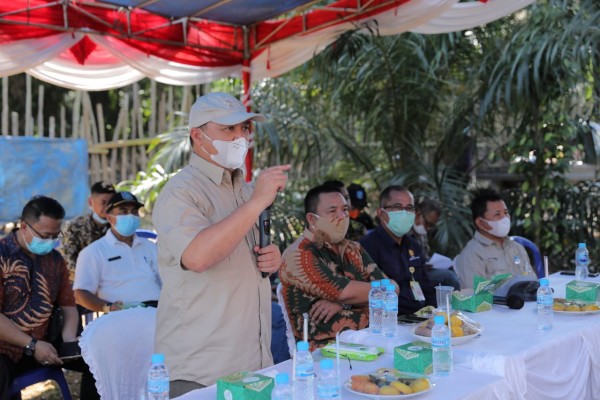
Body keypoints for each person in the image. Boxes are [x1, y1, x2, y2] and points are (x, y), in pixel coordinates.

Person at [152, 92, 290, 396]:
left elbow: (240, 250)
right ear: (197, 136)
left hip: (252, 361)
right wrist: (256, 203)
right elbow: (198, 257)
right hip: (202, 368)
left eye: (244, 128)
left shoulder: (243, 189)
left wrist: (270, 258)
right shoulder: (180, 192)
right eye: (228, 129)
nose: (240, 136)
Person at [0, 196, 99, 400]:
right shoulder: (2, 256)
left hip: (47, 345)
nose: (50, 242)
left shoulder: (54, 260)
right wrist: (32, 345)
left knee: (99, 359)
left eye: (55, 235)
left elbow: (68, 306)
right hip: (5, 348)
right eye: (45, 235)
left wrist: (70, 340)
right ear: (23, 226)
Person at [279, 184, 392, 350]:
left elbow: (393, 290)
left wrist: (343, 303)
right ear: (312, 219)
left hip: (368, 340)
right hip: (325, 354)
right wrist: (348, 298)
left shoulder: (354, 249)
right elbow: (346, 293)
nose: (342, 216)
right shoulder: (299, 255)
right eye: (332, 211)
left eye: (345, 209)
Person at [73, 191, 161, 313]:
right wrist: (109, 307)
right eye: (123, 212)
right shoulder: (93, 252)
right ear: (109, 218)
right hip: (120, 315)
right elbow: (80, 293)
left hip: (156, 312)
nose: (130, 216)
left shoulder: (150, 247)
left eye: (134, 212)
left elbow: (166, 282)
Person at [360, 185, 437, 315]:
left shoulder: (413, 245)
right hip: (391, 321)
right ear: (380, 213)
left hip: (422, 317)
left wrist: (433, 314)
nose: (404, 213)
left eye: (409, 208)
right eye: (397, 207)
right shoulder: (366, 247)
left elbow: (426, 286)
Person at [455, 190, 533, 289]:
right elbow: (476, 297)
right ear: (480, 222)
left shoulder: (517, 248)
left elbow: (533, 282)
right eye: (497, 214)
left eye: (506, 213)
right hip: (496, 305)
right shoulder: (471, 255)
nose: (505, 218)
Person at [61, 181, 116, 281]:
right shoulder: (75, 227)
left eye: (111, 203)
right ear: (91, 202)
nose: (108, 207)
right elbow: (68, 260)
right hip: (84, 281)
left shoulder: (118, 227)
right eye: (103, 202)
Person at [410, 199, 460, 290]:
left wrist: (428, 263)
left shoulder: (422, 234)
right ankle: (459, 302)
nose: (428, 228)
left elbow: (425, 257)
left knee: (452, 270)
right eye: (428, 223)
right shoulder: (405, 233)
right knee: (449, 277)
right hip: (412, 274)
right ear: (418, 214)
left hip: (423, 270)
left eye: (431, 225)